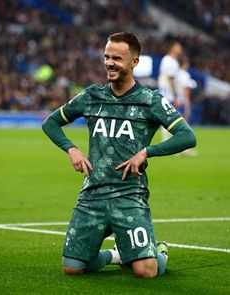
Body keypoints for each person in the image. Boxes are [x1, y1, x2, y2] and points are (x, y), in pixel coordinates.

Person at [42, 32, 196, 278]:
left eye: (117, 58)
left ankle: (158, 252)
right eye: (107, 57)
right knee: (72, 268)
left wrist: (146, 152)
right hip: (92, 195)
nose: (110, 63)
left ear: (134, 62)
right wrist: (71, 149)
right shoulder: (92, 96)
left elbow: (187, 136)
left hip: (128, 195)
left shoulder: (150, 100)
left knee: (146, 271)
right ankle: (117, 255)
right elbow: (50, 123)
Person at [158, 41, 183, 142]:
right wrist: (176, 96)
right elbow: (170, 79)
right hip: (168, 93)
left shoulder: (170, 60)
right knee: (169, 118)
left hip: (167, 92)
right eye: (178, 46)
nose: (180, 48)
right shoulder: (169, 61)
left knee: (169, 118)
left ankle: (171, 142)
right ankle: (168, 142)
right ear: (172, 48)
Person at [175, 55, 197, 156]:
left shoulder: (176, 74)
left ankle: (177, 149)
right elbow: (186, 91)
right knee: (184, 127)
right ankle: (184, 149)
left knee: (176, 126)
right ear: (185, 63)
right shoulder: (185, 75)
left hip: (176, 101)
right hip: (183, 102)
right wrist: (187, 105)